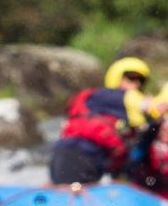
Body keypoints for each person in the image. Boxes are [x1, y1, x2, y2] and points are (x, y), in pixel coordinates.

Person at [50, 56, 151, 187]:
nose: (136, 84)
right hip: (77, 156)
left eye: (141, 81)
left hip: (92, 160)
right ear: (116, 77)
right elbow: (136, 101)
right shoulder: (103, 96)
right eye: (131, 78)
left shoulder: (124, 108)